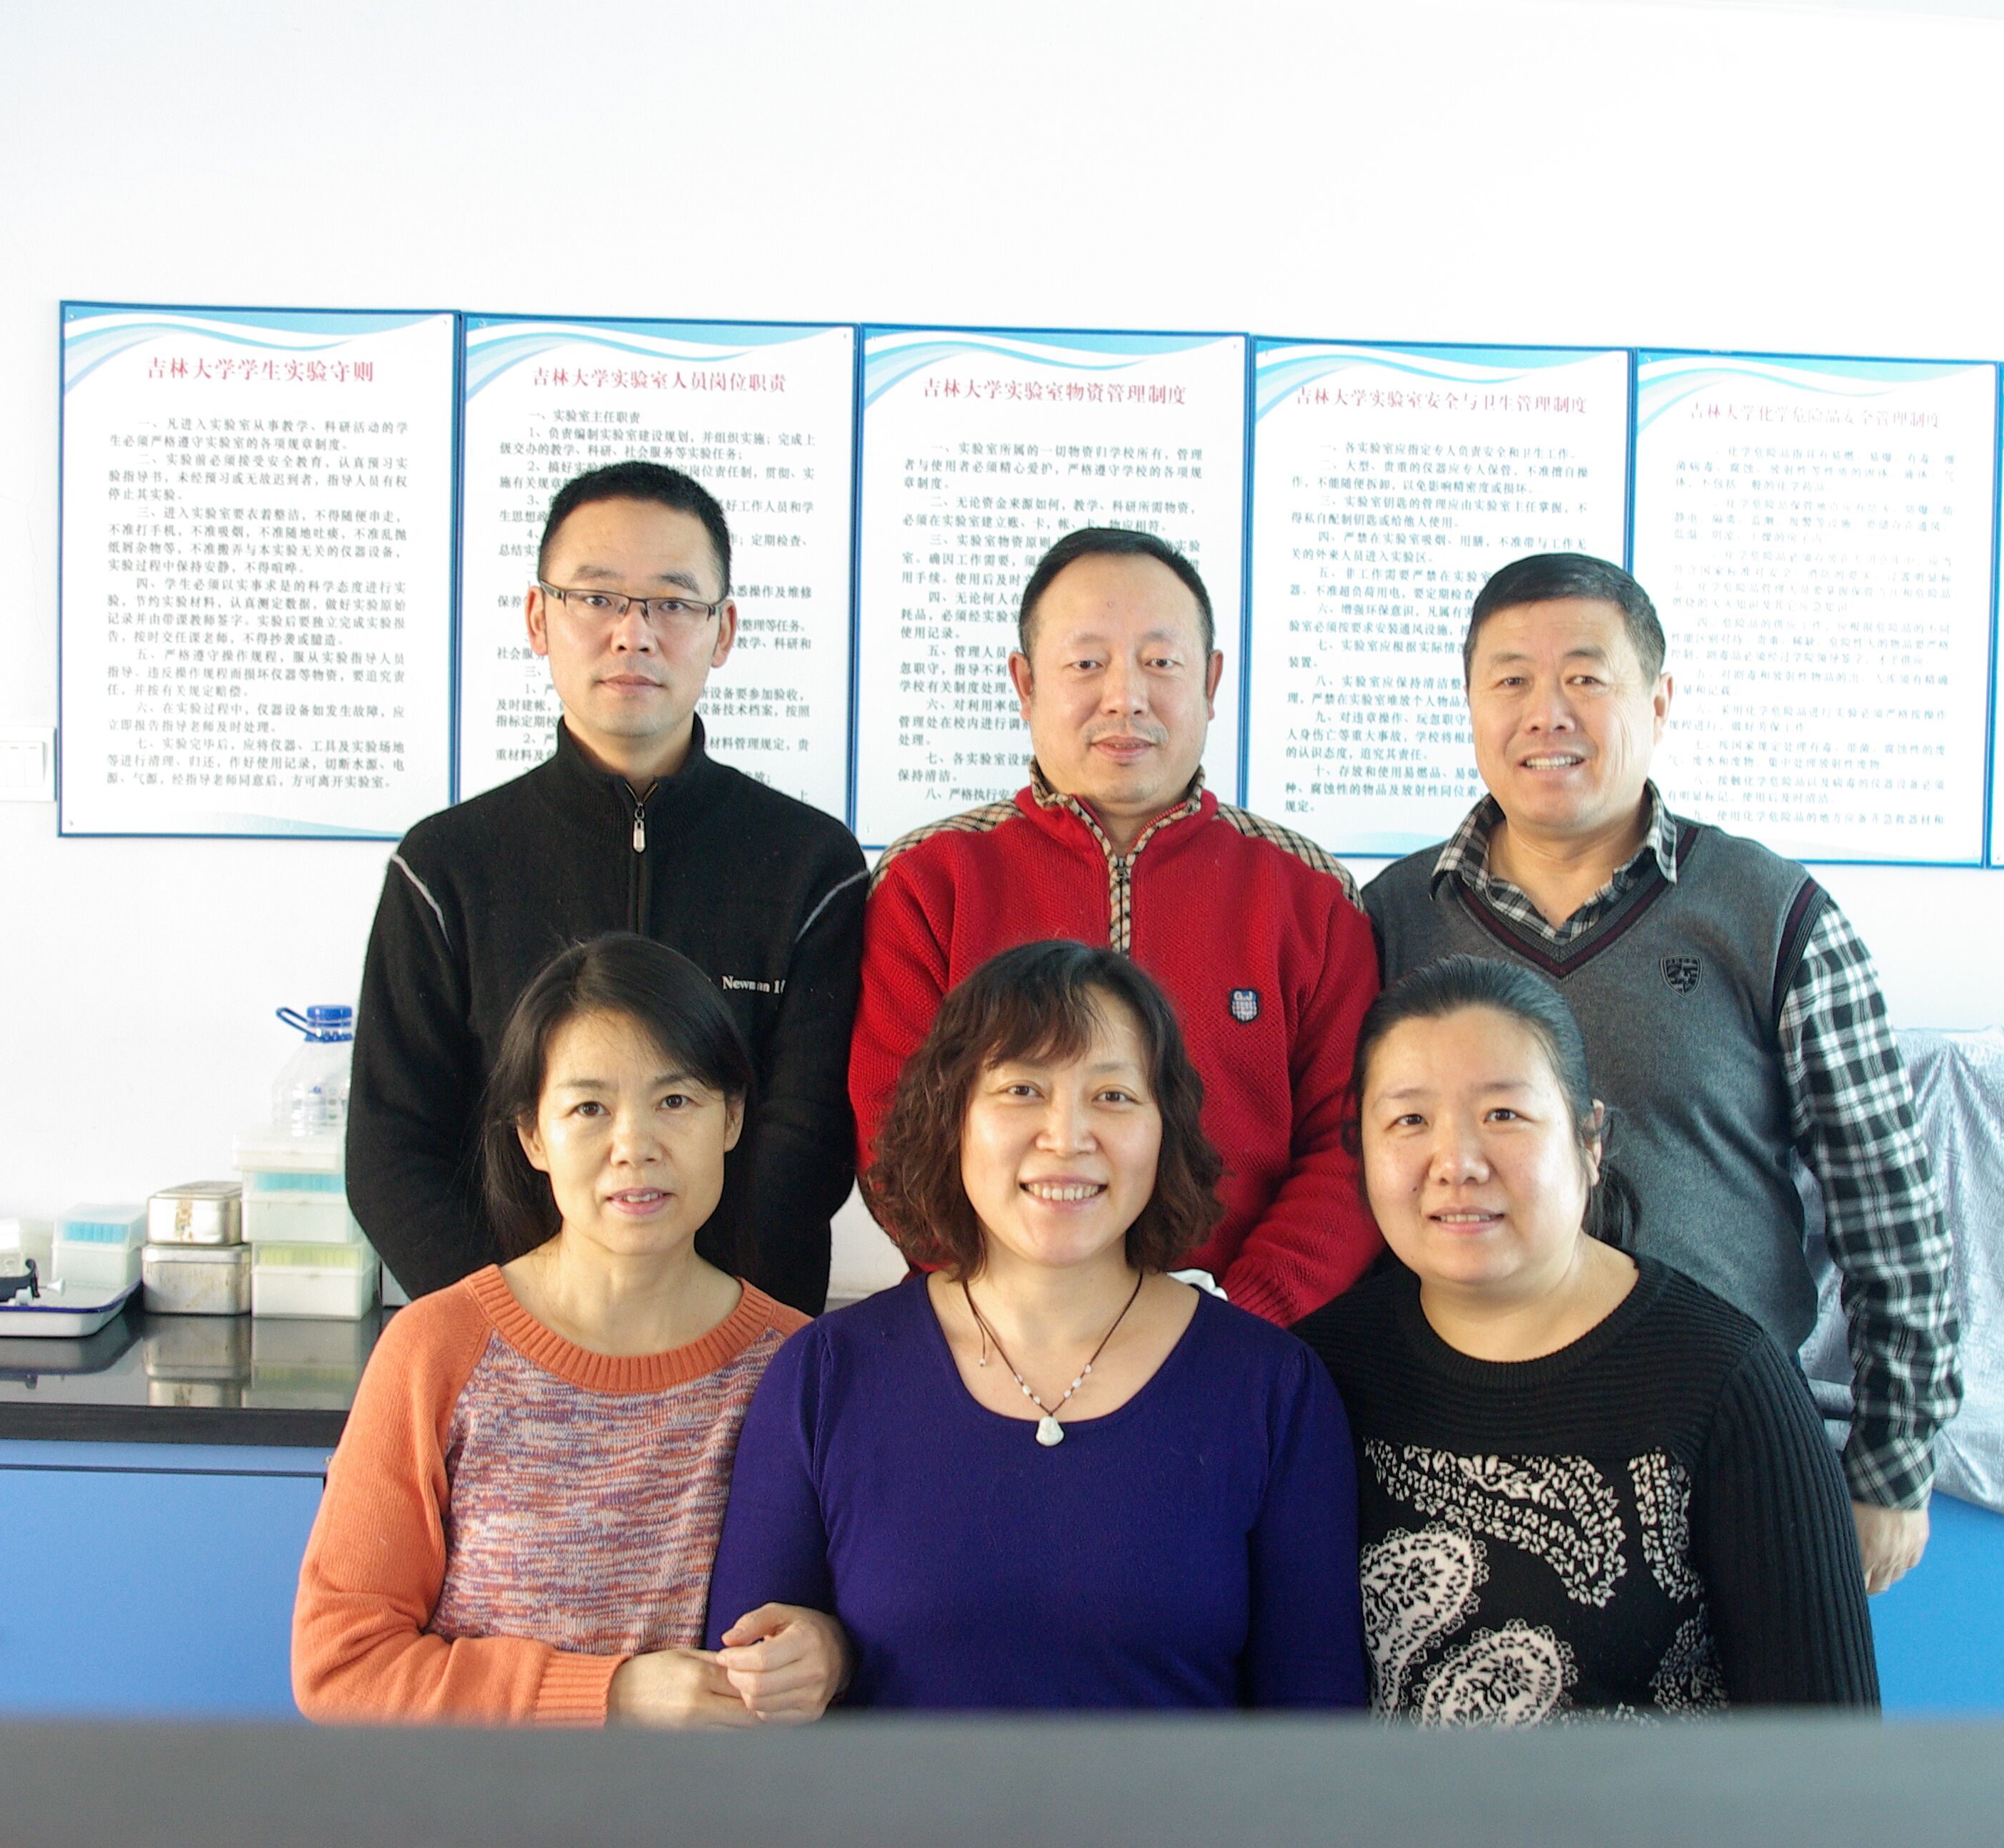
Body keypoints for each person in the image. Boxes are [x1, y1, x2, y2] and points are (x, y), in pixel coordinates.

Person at [1359, 553, 1961, 1593]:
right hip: (1449, 1448)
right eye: (1511, 681)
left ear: (1658, 700)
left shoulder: (1768, 913)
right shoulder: (1388, 919)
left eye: (1585, 678)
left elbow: (1888, 1209)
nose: (1546, 713)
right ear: (1471, 705)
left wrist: (1891, 1466)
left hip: (1721, 1439)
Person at [708, 940, 1367, 1710]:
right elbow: (740, 1698)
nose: (1067, 1136)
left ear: (1166, 1128)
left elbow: (1315, 1731)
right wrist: (824, 1656)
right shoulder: (825, 1374)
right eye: (1022, 1089)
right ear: (952, 1117)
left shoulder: (1272, 1387)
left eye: (1113, 1096)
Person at [1298, 955, 1878, 1722]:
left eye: (1504, 1115)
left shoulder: (1725, 1385)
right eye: (1409, 1121)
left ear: (1589, 1139)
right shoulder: (1313, 1376)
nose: (1457, 1164)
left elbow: (1828, 1752)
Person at [348, 461, 867, 1313]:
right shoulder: (444, 867)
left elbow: (809, 1140)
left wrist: (703, 1323)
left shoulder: (812, 865)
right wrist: (520, 1327)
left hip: (748, 1343)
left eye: (672, 603)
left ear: (723, 631)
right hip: (503, 1349)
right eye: (595, 598)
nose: (634, 634)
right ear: (538, 617)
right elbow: (392, 1150)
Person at [293, 933, 846, 1725]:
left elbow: (879, 1611)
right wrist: (611, 1694)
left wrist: (830, 1651)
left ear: (730, 1117)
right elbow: (341, 1667)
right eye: (590, 1108)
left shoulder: (800, 1367)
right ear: (532, 1137)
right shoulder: (436, 1351)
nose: (635, 1147)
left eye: (675, 1101)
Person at [850, 527, 1382, 1325]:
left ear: (1211, 682)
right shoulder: (931, 882)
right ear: (1026, 684)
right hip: (988, 1338)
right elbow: (895, 1134)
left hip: (1248, 1341)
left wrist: (1236, 1320)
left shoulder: (1309, 894)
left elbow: (1353, 1145)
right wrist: (1019, 1310)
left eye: (1160, 662)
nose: (1124, 697)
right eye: (1086, 663)